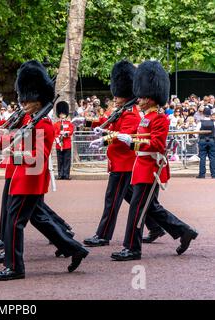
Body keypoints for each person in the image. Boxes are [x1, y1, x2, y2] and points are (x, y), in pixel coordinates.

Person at [0, 60, 88, 281]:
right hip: (21, 178)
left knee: (14, 222)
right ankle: (75, 249)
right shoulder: (29, 119)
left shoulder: (43, 124)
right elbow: (15, 139)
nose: (23, 102)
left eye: (28, 98)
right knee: (40, 221)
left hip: (30, 181)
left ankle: (15, 267)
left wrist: (13, 155)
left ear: (38, 100)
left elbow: (39, 157)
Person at [110, 60, 198, 261]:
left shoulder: (159, 118)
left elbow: (157, 145)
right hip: (140, 167)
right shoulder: (145, 117)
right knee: (149, 207)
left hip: (150, 169)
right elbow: (143, 138)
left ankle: (132, 248)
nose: (138, 99)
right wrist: (126, 139)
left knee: (137, 209)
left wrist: (132, 143)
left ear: (149, 98)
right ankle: (184, 231)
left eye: (141, 96)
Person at [85, 60, 165, 247]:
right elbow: (106, 122)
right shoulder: (121, 110)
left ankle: (103, 235)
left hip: (124, 163)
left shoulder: (131, 113)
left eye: (117, 95)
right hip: (120, 163)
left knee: (112, 200)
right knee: (136, 201)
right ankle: (156, 227)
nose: (115, 98)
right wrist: (88, 123)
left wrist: (104, 139)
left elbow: (125, 136)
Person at [54, 101, 73, 180]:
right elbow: (55, 133)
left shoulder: (69, 123)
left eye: (64, 114)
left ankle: (66, 175)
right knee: (60, 160)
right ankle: (60, 174)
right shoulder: (56, 124)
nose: (62, 115)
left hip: (67, 144)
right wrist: (58, 138)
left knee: (67, 160)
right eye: (61, 114)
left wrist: (65, 134)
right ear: (59, 115)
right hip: (59, 144)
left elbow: (71, 131)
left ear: (66, 114)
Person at [195, 107, 215, 178]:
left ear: (203, 113)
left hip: (202, 140)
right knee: (212, 158)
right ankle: (213, 174)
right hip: (212, 140)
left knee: (202, 158)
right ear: (210, 114)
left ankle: (202, 174)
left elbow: (196, 133)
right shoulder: (214, 123)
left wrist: (198, 138)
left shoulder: (200, 123)